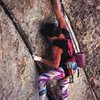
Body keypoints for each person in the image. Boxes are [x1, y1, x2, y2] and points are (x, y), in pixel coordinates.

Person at [34, 0, 77, 100]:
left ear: (51, 37)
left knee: (42, 79)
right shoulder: (64, 28)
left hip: (66, 69)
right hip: (74, 67)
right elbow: (58, 11)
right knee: (63, 89)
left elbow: (55, 65)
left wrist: (40, 59)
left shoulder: (57, 47)